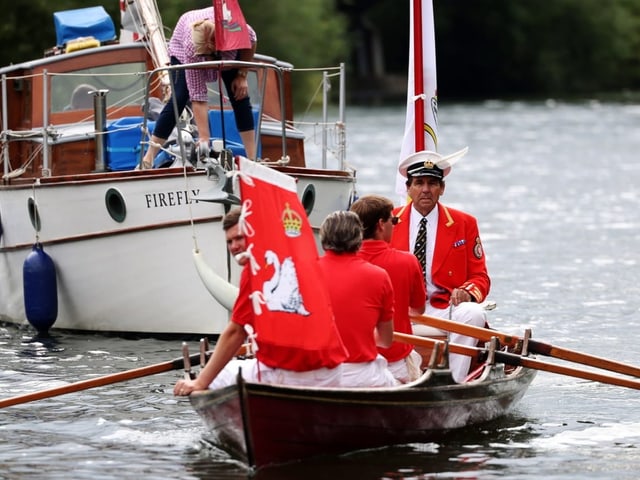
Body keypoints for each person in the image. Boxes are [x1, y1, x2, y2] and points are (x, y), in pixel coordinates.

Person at [174, 207, 346, 396]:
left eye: (239, 238)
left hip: (293, 374)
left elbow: (235, 332)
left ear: (255, 235)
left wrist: (199, 382)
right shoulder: (302, 261)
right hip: (332, 372)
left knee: (217, 376)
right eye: (229, 241)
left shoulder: (255, 271)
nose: (234, 247)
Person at [390, 148, 491, 383]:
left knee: (474, 313)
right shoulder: (388, 220)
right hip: (399, 306)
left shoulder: (464, 223)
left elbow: (481, 277)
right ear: (408, 188)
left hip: (443, 305)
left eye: (432, 183)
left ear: (442, 188)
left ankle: (453, 382)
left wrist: (466, 292)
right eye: (419, 183)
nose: (425, 189)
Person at [141, 6, 257, 169]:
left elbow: (252, 41)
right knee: (179, 98)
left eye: (208, 56)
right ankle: (148, 159)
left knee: (240, 96)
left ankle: (253, 159)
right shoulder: (191, 49)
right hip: (182, 52)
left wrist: (242, 74)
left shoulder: (235, 27)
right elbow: (198, 97)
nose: (207, 61)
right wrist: (204, 138)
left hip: (228, 49)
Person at [350, 194, 426, 383]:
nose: (395, 224)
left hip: (351, 361)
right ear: (381, 225)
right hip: (395, 360)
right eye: (393, 220)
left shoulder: (340, 262)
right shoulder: (408, 261)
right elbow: (418, 310)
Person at [317, 210, 398, 387]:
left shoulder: (304, 272)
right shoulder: (379, 276)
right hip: (360, 375)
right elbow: (386, 340)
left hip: (315, 374)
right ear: (358, 239)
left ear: (324, 238)